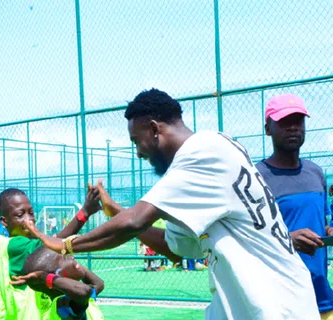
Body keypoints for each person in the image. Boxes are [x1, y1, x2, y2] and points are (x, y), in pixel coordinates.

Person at [23, 88, 320, 319]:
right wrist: (116, 211)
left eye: (137, 141)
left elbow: (134, 222)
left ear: (154, 130)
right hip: (256, 306)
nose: (139, 152)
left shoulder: (202, 151)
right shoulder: (208, 157)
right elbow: (175, 246)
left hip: (278, 307)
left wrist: (65, 244)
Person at [256, 93, 333, 318]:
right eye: (284, 122)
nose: (293, 128)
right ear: (268, 128)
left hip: (322, 297)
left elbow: (323, 218)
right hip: (281, 302)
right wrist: (288, 239)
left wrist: (329, 230)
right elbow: (248, 237)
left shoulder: (316, 172)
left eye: (298, 121)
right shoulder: (256, 178)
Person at [0, 186, 101, 319]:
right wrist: (84, 213)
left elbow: (98, 284)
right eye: (20, 215)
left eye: (31, 213)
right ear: (4, 221)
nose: (29, 219)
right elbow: (57, 243)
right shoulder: (14, 245)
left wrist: (75, 266)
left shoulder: (31, 242)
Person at [11, 246, 104, 320]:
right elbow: (84, 291)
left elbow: (98, 284)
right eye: (65, 258)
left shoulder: (79, 297)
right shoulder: (61, 307)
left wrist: (76, 266)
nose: (72, 257)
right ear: (56, 274)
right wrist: (43, 276)